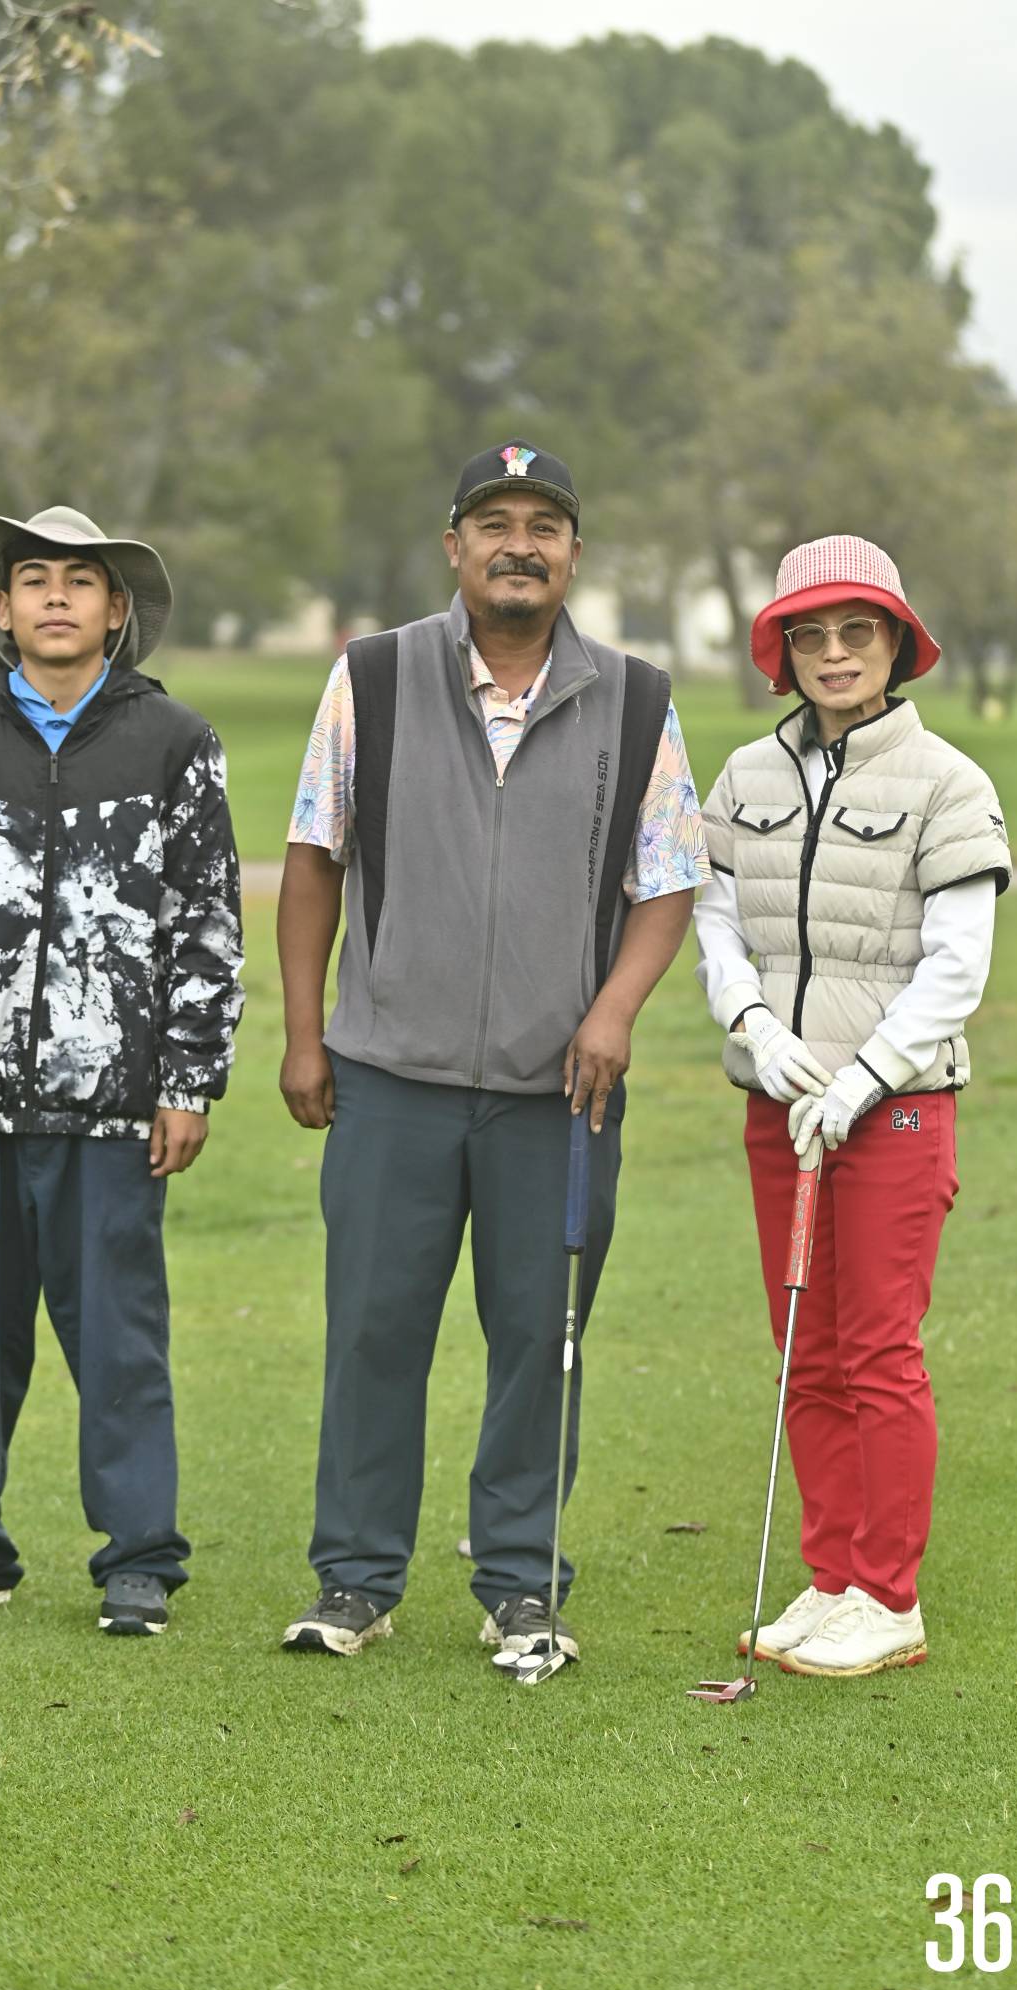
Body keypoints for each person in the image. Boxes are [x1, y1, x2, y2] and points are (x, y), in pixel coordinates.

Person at [276, 440, 710, 1662]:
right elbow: (314, 855)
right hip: (386, 1077)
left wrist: (615, 1007)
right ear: (454, 545)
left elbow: (665, 880)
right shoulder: (373, 674)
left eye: (544, 524)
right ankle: (353, 1580)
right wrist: (307, 1033)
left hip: (555, 1094)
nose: (519, 542)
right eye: (493, 521)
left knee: (539, 1339)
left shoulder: (634, 696)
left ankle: (521, 1585)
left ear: (573, 551)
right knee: (372, 1332)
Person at [0, 505, 243, 1637]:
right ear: (3, 606)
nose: (58, 597)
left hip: (115, 1107)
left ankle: (138, 1558)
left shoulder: (173, 738)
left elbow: (206, 923)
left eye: (81, 580)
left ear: (118, 609)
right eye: (35, 579)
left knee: (119, 1336)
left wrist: (188, 1079)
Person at [694, 535, 1011, 1678]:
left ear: (892, 644)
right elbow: (714, 915)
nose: (833, 654)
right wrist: (754, 1030)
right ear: (780, 650)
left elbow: (955, 963)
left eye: (855, 632)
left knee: (875, 1348)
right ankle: (829, 1575)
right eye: (809, 635)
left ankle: (889, 1593)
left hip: (896, 1109)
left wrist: (863, 1077)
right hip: (779, 1102)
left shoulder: (945, 781)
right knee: (803, 1349)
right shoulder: (743, 775)